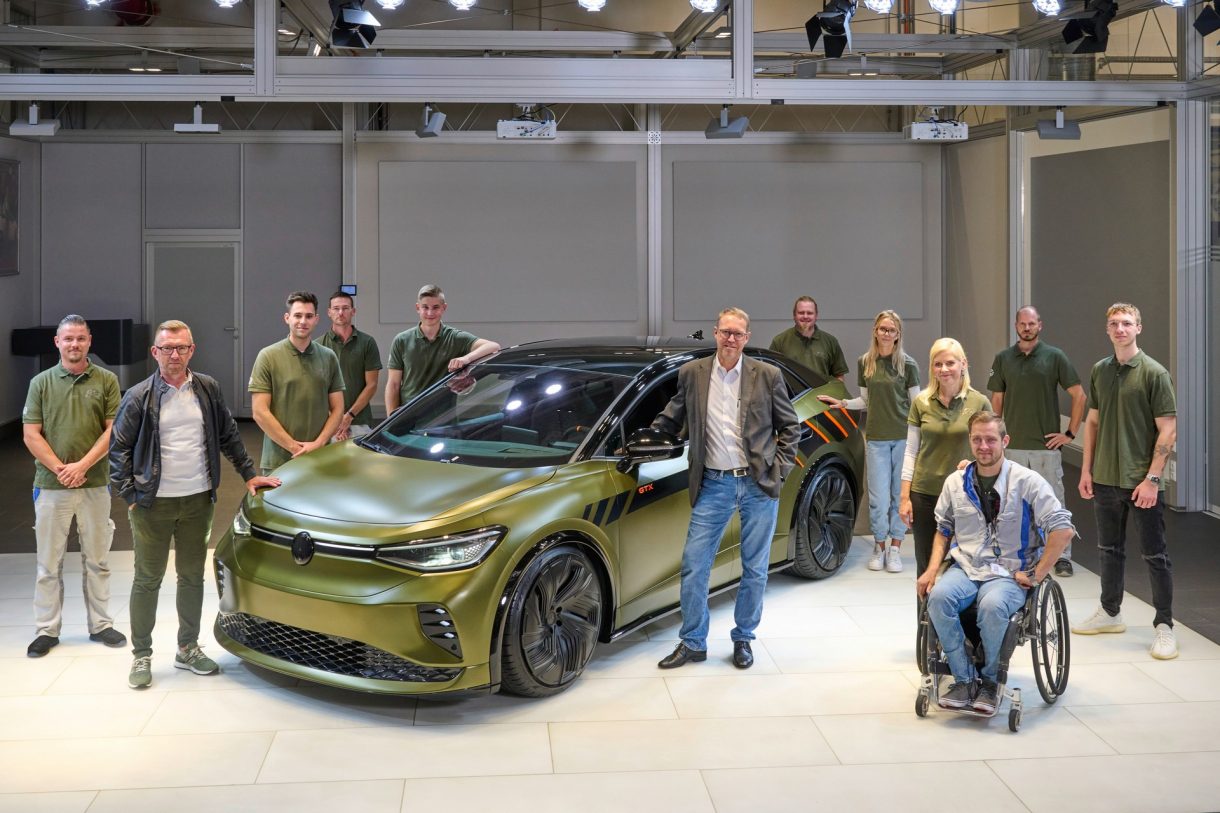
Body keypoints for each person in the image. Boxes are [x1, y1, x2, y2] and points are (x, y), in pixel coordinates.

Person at [111, 320, 281, 689]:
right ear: (155, 352)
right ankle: (142, 654)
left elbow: (228, 435)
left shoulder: (207, 388)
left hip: (198, 500)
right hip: (152, 504)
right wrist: (130, 495)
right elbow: (119, 449)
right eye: (167, 348)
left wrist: (249, 473)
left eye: (181, 348)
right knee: (147, 579)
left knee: (191, 577)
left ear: (192, 350)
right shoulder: (138, 396)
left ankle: (187, 648)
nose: (174, 355)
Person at [652, 307, 800, 670]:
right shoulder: (693, 374)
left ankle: (743, 637)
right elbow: (671, 417)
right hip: (713, 483)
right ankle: (693, 642)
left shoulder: (767, 375)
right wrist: (648, 439)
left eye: (737, 334)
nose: (730, 339)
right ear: (716, 333)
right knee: (694, 565)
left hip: (757, 483)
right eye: (725, 332)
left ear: (746, 338)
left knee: (755, 568)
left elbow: (790, 427)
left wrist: (778, 473)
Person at [916, 412, 1074, 713]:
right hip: (967, 567)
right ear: (970, 441)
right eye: (977, 439)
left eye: (990, 439)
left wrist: (1038, 574)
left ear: (1005, 441)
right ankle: (964, 679)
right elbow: (943, 530)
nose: (983, 446)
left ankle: (990, 681)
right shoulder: (955, 482)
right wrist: (932, 570)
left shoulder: (1027, 482)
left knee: (992, 607)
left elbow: (1062, 529)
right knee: (938, 598)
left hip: (1009, 573)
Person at [1072, 303, 1179, 660]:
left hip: (1141, 482)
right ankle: (1110, 611)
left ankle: (1164, 625)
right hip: (1105, 478)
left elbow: (1168, 430)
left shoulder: (1154, 373)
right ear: (1107, 330)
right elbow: (1092, 422)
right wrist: (1087, 470)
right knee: (1109, 549)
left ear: (1138, 328)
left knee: (1155, 554)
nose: (1120, 329)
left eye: (1127, 323)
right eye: (1114, 324)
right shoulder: (1100, 370)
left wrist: (1152, 479)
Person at [22, 315, 126, 657]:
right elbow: (31, 434)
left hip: (94, 484)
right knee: (47, 565)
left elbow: (113, 430)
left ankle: (101, 625)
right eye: (68, 339)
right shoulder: (41, 383)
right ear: (57, 342)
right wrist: (61, 469)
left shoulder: (107, 380)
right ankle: (46, 630)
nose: (74, 344)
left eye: (80, 338)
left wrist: (82, 467)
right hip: (51, 486)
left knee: (98, 560)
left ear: (89, 341)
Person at [987, 306, 1086, 577]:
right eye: (1023, 323)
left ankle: (1062, 556)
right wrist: (996, 438)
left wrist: (1070, 433)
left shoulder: (1055, 357)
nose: (1027, 328)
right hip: (1013, 447)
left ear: (1039, 325)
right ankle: (1018, 554)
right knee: (1012, 505)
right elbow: (997, 399)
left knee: (1054, 503)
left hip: (1045, 448)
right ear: (1016, 326)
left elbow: (1079, 395)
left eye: (1032, 323)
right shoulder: (1004, 359)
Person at [819, 310, 920, 573]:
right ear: (875, 331)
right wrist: (843, 403)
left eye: (892, 330)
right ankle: (879, 547)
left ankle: (895, 548)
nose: (886, 333)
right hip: (876, 439)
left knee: (899, 496)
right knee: (878, 498)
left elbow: (917, 405)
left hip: (903, 440)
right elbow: (865, 400)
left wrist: (921, 439)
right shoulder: (866, 362)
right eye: (883, 329)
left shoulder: (907, 364)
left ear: (898, 335)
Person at [900, 338, 992, 575]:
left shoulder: (979, 402)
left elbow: (991, 451)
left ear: (963, 364)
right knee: (926, 566)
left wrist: (973, 464)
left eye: (950, 363)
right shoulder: (921, 402)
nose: (944, 369)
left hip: (966, 495)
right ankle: (924, 602)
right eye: (938, 364)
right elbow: (910, 451)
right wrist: (904, 497)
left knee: (964, 567)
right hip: (924, 494)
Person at [249, 291, 345, 474]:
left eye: (309, 316)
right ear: (287, 318)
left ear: (316, 319)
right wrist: (294, 447)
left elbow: (338, 408)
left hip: (320, 457)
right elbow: (259, 412)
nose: (303, 321)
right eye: (298, 315)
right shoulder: (268, 356)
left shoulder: (329, 357)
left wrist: (318, 444)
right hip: (278, 460)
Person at [385, 284, 501, 413]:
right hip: (408, 415)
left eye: (436, 307)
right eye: (425, 307)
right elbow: (393, 384)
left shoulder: (455, 338)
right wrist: (390, 419)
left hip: (442, 418)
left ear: (444, 308)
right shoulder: (402, 340)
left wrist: (466, 359)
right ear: (418, 308)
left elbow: (494, 347)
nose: (430, 313)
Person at [318, 291, 382, 441]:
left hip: (360, 421)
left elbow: (372, 385)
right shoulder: (318, 346)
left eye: (345, 308)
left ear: (353, 311)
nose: (340, 312)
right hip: (329, 423)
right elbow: (318, 388)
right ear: (329, 312)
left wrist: (349, 416)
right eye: (336, 308)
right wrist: (336, 419)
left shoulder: (367, 343)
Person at [768, 296, 849, 382]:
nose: (805, 316)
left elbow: (839, 376)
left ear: (816, 316)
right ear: (794, 315)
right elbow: (770, 375)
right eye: (801, 313)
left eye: (810, 313)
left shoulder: (831, 342)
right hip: (790, 392)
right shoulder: (779, 341)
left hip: (822, 391)